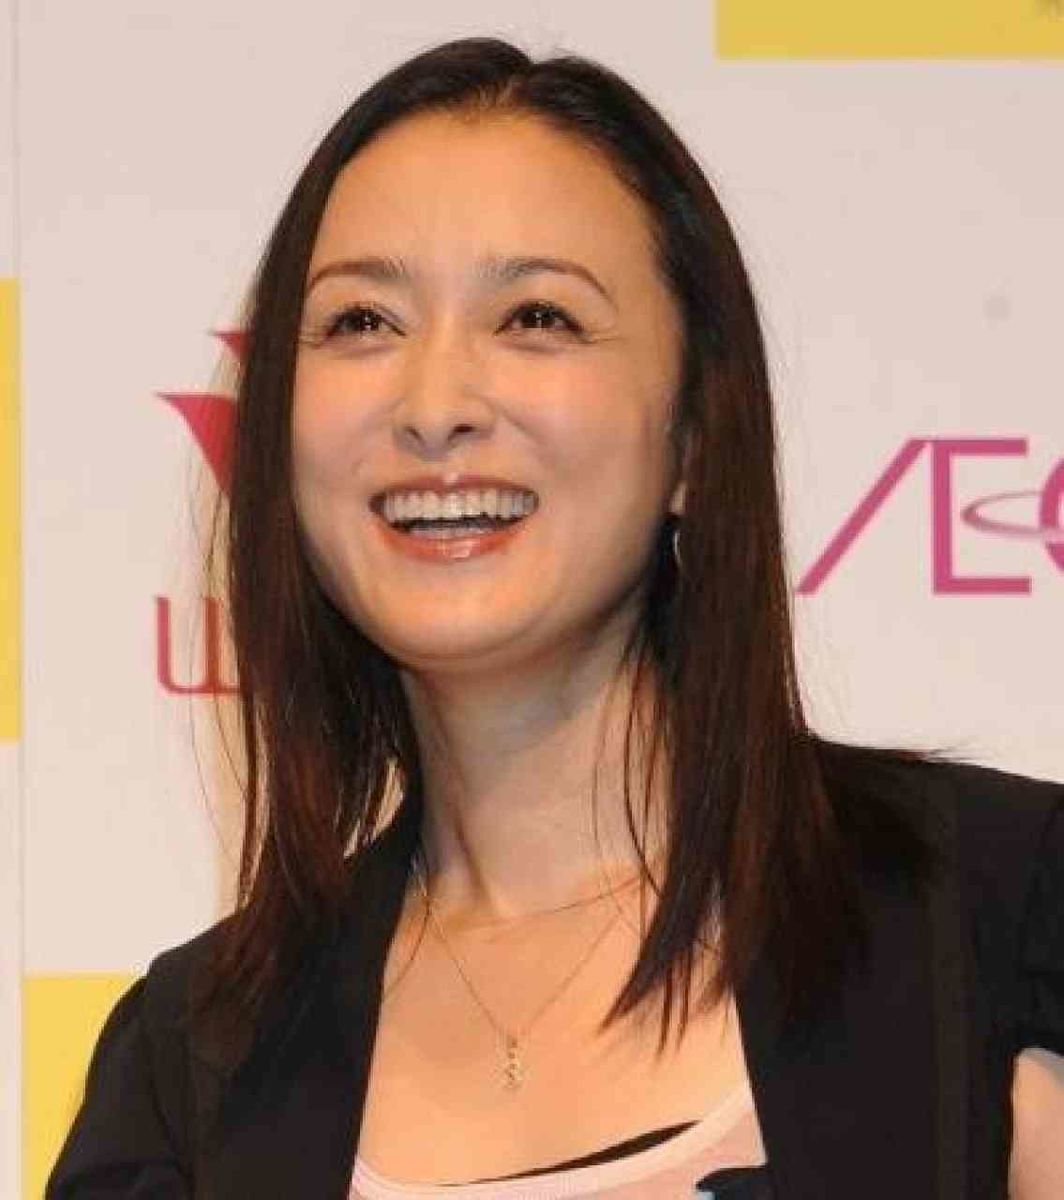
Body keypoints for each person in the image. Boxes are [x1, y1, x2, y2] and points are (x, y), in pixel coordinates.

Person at [48, 36, 1064, 1199]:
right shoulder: (191, 1067)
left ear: (695, 433)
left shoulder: (998, 918)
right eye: (362, 322)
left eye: (536, 316)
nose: (434, 404)